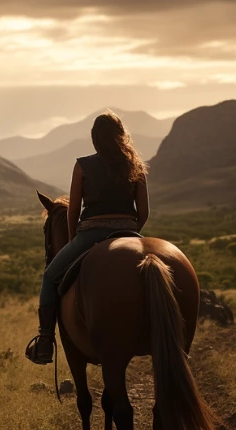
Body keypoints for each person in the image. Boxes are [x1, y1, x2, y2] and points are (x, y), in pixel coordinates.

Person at [27, 110, 149, 365]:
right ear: (121, 136)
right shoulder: (135, 164)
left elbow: (73, 210)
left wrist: (74, 239)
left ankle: (45, 340)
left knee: (50, 276)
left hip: (90, 233)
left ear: (95, 138)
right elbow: (144, 212)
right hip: (130, 232)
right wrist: (130, 230)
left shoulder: (83, 165)